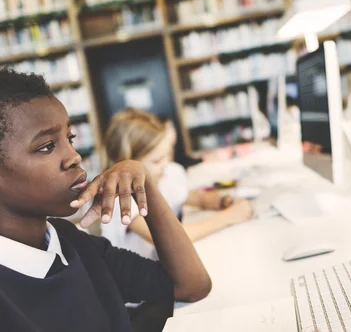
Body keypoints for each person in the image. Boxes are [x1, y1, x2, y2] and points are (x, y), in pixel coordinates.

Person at [0, 68, 211, 332]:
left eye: (70, 138)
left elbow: (192, 286)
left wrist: (145, 182)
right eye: (46, 147)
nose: (74, 156)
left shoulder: (72, 242)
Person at [101, 108, 254, 260]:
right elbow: (172, 239)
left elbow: (194, 197)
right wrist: (229, 217)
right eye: (156, 161)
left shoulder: (161, 177)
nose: (165, 164)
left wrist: (220, 201)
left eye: (166, 156)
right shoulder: (120, 199)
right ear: (127, 163)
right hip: (137, 281)